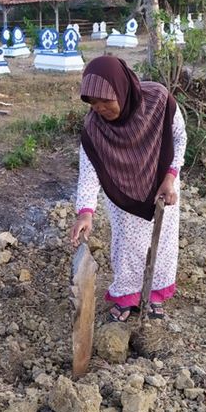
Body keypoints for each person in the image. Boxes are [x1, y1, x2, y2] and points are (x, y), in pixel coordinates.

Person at [69, 56, 187, 322]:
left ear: (122, 89)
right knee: (127, 244)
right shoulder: (94, 128)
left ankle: (153, 297)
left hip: (162, 181)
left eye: (105, 101)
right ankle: (126, 297)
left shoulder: (157, 99)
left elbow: (179, 137)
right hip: (122, 188)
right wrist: (85, 212)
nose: (99, 109)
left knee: (163, 240)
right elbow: (89, 171)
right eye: (93, 104)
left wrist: (170, 175)